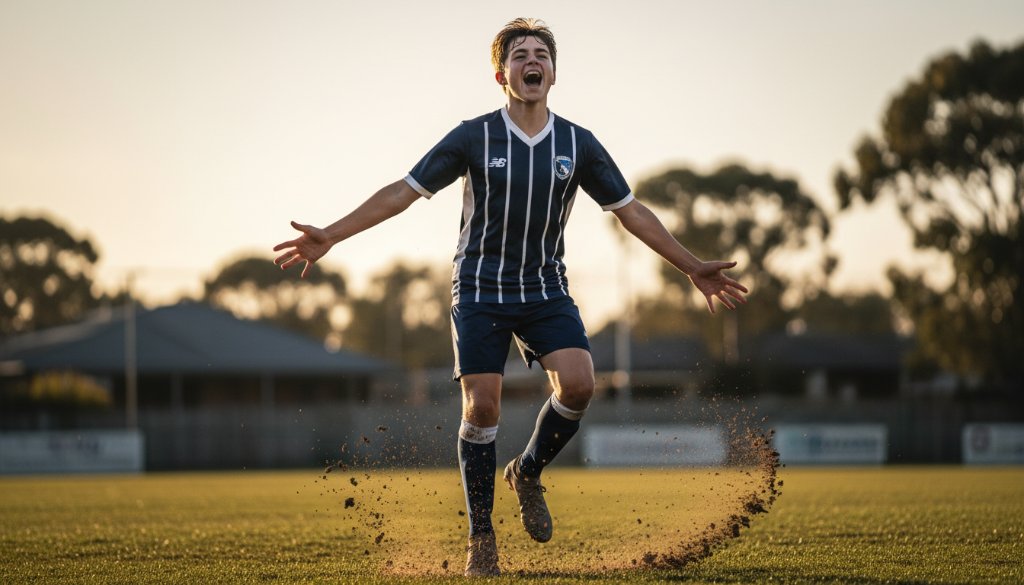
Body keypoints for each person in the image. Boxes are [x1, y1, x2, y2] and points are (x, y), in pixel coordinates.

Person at [274, 17, 748, 577]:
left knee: (579, 384)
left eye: (541, 53)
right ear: (501, 74)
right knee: (484, 406)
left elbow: (631, 211)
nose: (533, 60)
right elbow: (404, 192)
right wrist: (331, 233)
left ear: (552, 72)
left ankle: (526, 472)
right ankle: (481, 536)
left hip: (545, 286)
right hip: (479, 286)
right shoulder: (473, 136)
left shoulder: (578, 143)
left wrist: (691, 266)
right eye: (520, 53)